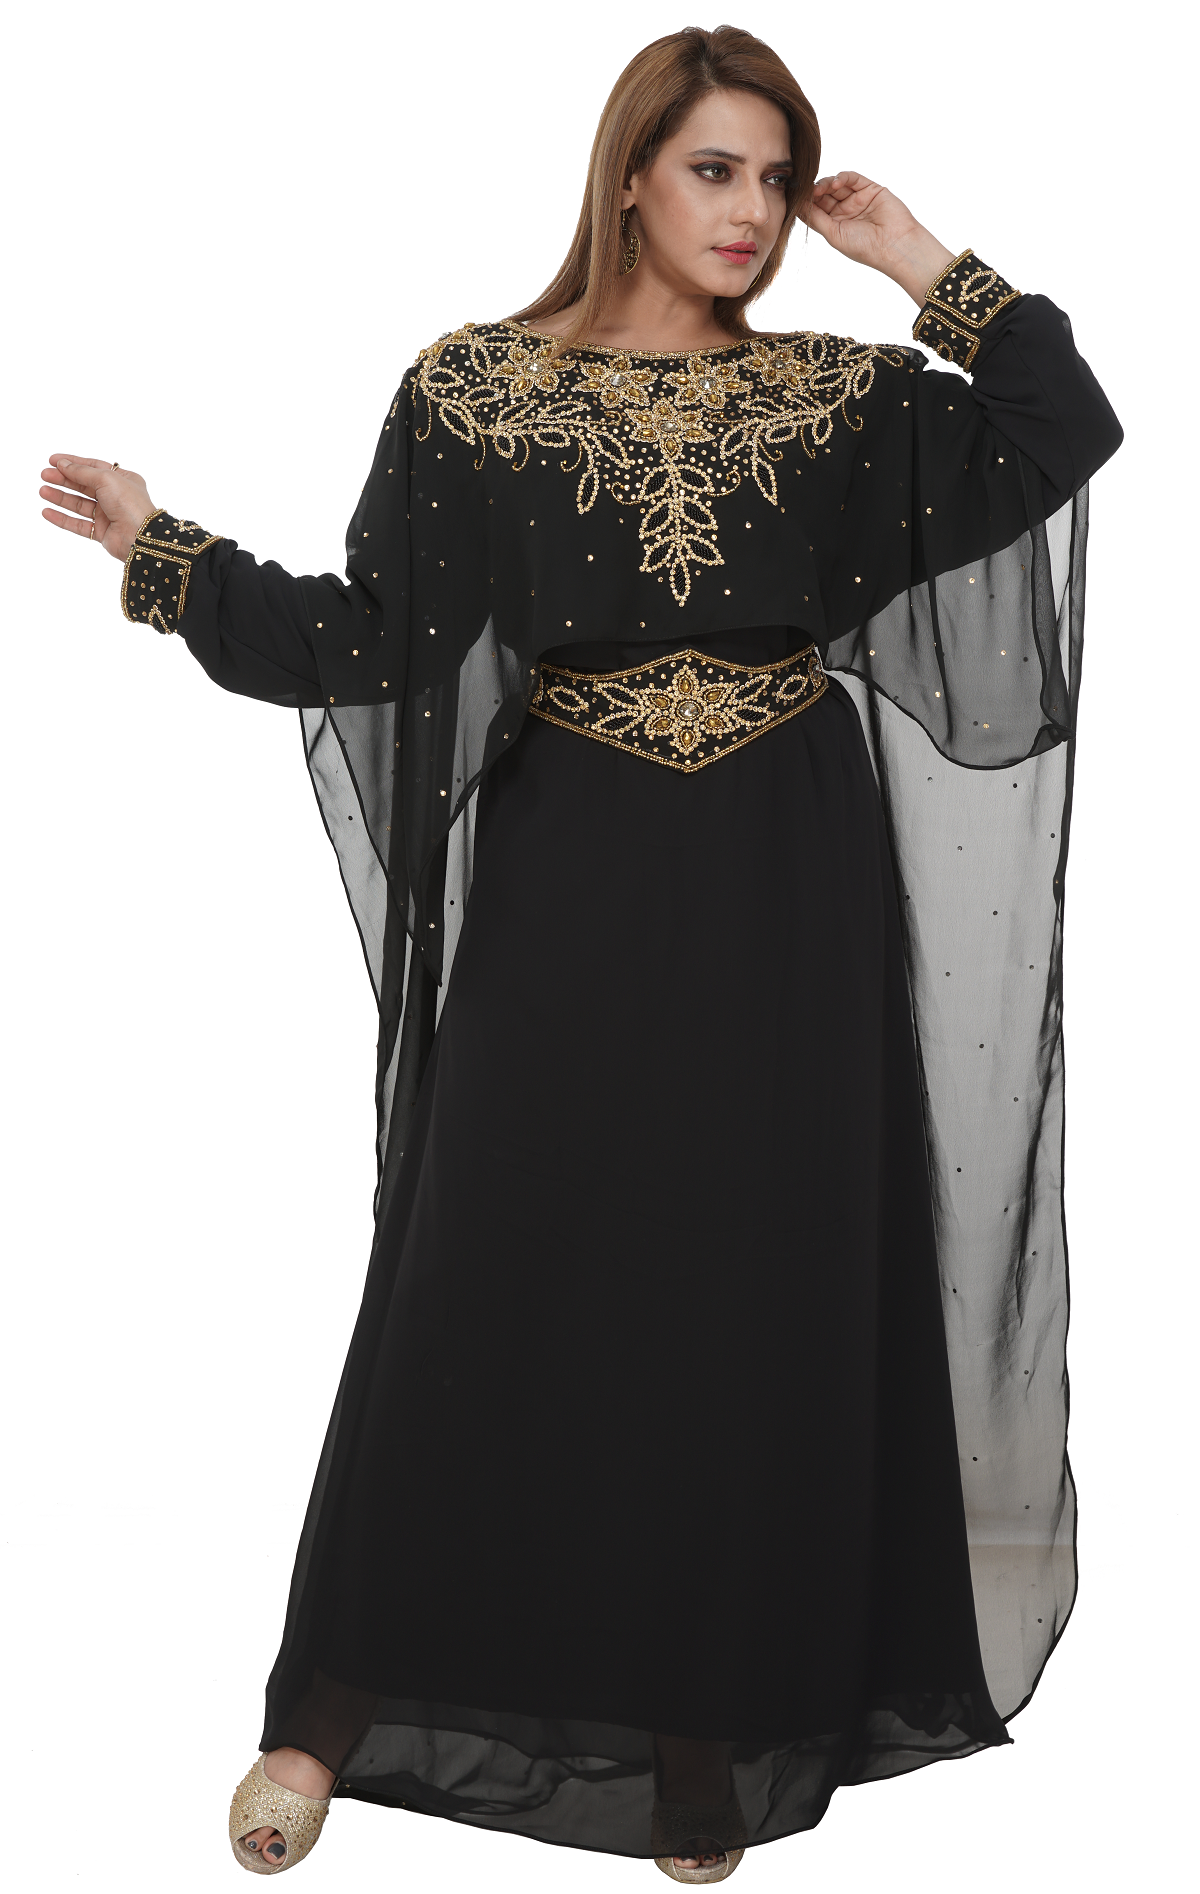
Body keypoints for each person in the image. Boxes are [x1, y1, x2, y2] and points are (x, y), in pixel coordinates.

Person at [39, 22, 1121, 1884]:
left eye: (776, 179)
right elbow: (374, 639)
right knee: (483, 1268)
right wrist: (168, 557)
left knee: (746, 1293)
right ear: (629, 176)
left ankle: (706, 1750)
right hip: (576, 878)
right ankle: (325, 1712)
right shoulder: (474, 391)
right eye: (715, 169)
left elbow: (1060, 424)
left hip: (788, 882)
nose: (753, 211)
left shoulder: (838, 399)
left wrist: (917, 259)